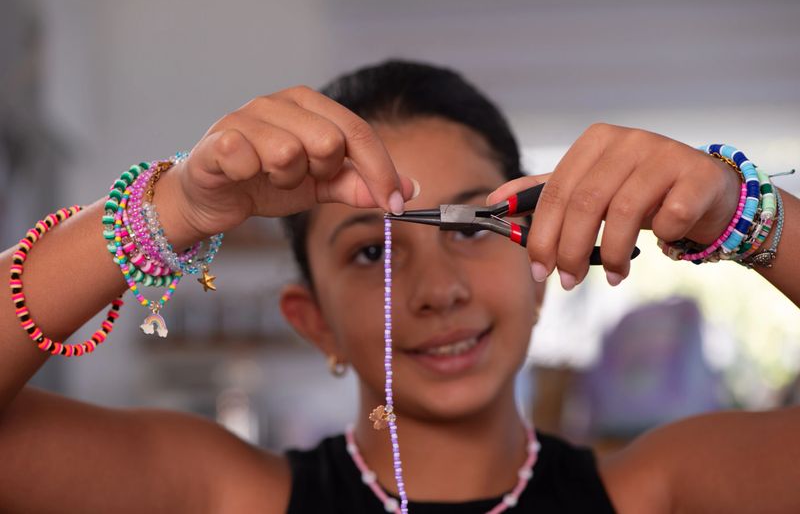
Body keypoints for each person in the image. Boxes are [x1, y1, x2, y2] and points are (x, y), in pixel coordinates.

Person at [0, 59, 798, 514]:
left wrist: (744, 211)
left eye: (471, 230)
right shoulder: (227, 494)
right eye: (370, 255)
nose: (436, 289)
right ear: (312, 323)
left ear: (542, 271)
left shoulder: (665, 489)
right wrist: (171, 208)